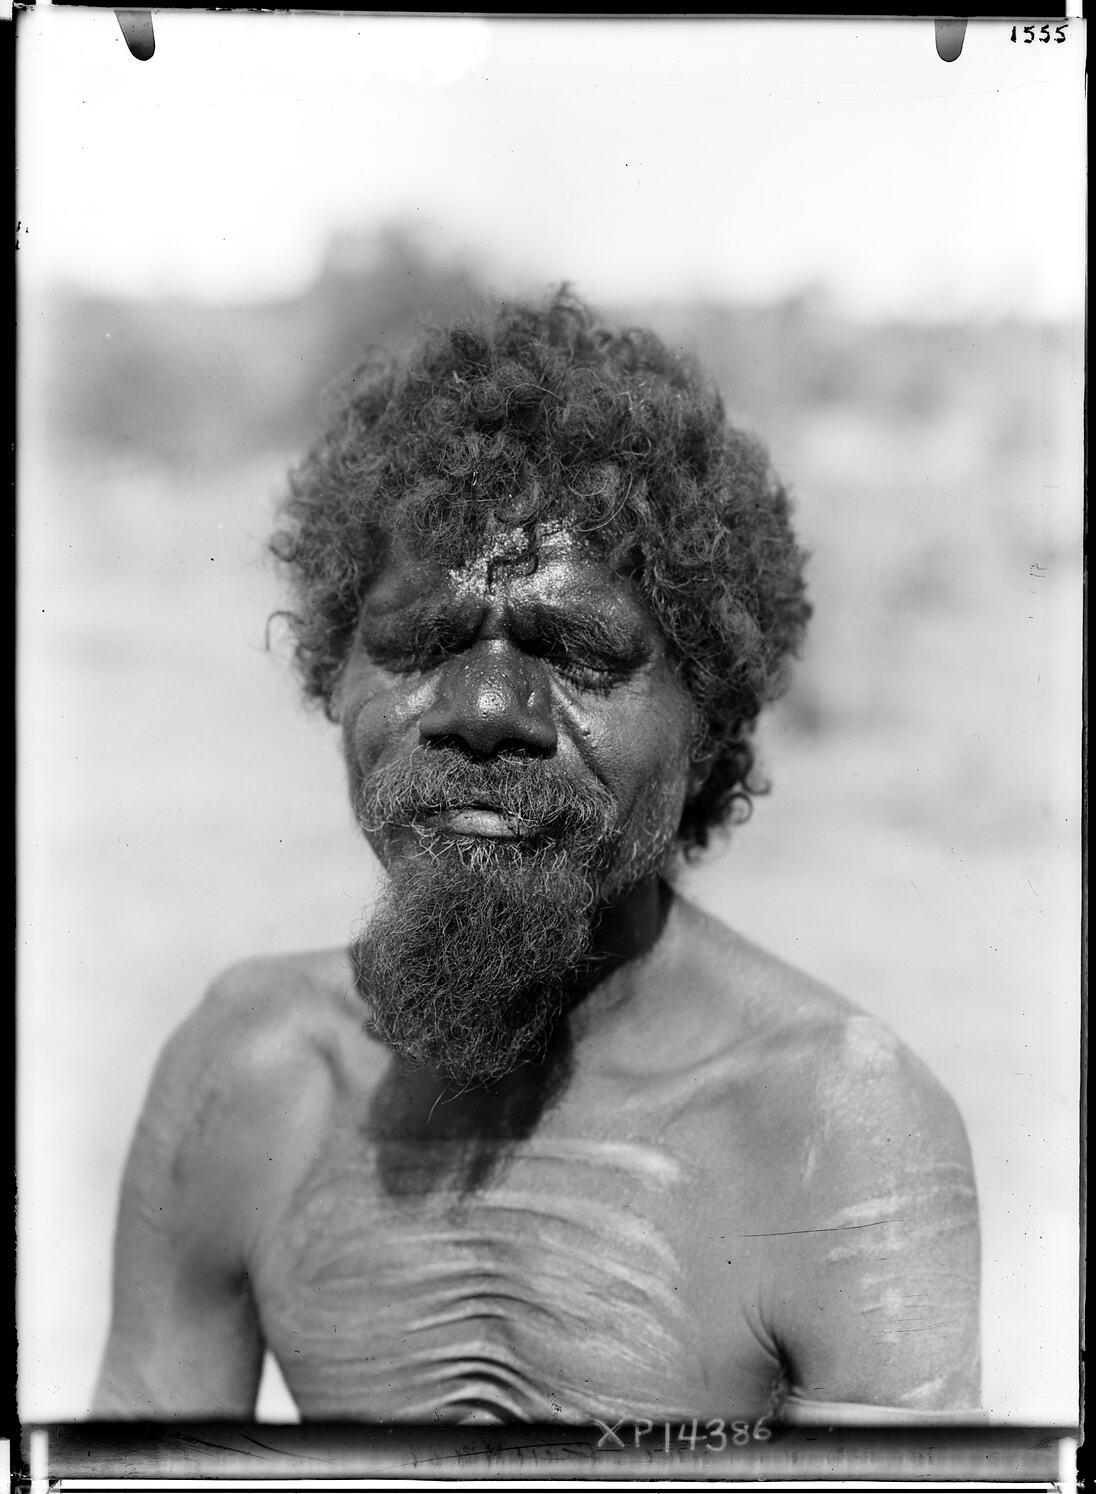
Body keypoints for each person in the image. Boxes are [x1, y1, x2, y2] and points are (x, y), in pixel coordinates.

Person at [93, 289, 981, 1427]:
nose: (484, 709)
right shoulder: (252, 1075)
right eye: (419, 643)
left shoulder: (831, 1125)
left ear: (708, 720)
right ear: (334, 675)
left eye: (577, 653)